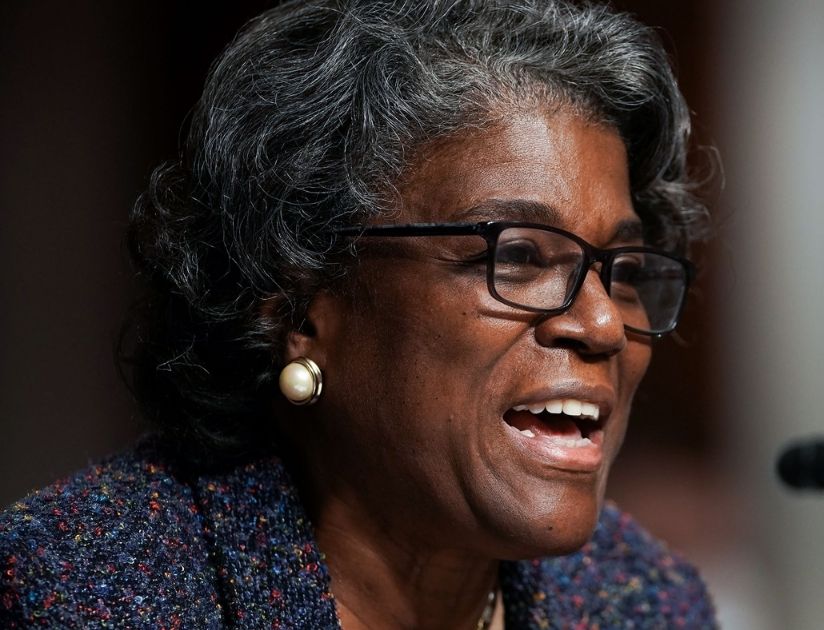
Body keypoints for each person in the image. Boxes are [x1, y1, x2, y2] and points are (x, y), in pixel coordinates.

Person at [0, 0, 715, 627]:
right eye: (521, 257)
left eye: (620, 269)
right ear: (300, 300)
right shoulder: (74, 592)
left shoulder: (646, 603)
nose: (602, 325)